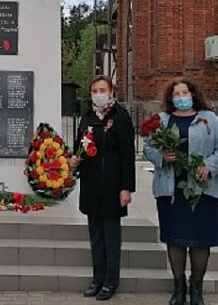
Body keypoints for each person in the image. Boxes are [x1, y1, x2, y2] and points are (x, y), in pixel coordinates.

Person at [143, 77, 218, 305]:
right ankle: (178, 287)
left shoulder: (209, 119)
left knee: (201, 241)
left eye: (185, 93)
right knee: (176, 240)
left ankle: (197, 288)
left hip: (204, 190)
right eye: (176, 94)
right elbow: (149, 147)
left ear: (193, 94)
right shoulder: (162, 120)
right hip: (172, 190)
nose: (181, 98)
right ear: (171, 98)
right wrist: (161, 157)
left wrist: (209, 166)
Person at [69, 75, 135, 301]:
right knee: (95, 236)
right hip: (91, 184)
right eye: (95, 90)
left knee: (110, 237)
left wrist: (126, 188)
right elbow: (79, 146)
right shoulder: (87, 117)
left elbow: (127, 156)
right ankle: (97, 279)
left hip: (113, 185)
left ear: (112, 92)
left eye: (102, 89)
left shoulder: (121, 118)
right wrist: (74, 161)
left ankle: (110, 282)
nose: (98, 94)